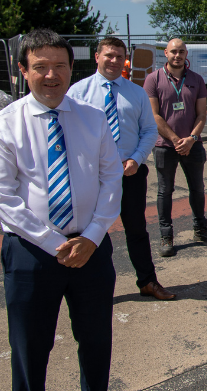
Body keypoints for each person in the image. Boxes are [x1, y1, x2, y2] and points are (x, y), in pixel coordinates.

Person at [0, 29, 122, 391]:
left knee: (95, 339)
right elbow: (1, 195)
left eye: (59, 66)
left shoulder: (93, 119)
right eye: (40, 67)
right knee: (30, 346)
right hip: (32, 253)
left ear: (70, 68)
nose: (51, 75)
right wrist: (52, 242)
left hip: (91, 249)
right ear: (23, 71)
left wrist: (92, 237)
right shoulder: (6, 124)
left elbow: (111, 179)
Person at [68, 37, 174, 301]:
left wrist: (136, 159)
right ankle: (86, 287)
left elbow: (149, 131)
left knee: (136, 230)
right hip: (91, 177)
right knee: (91, 231)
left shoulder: (135, 92)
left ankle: (148, 281)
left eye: (119, 56)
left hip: (130, 173)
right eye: (109, 55)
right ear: (97, 57)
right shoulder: (78, 93)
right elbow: (69, 134)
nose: (114, 61)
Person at [143, 38, 207, 257]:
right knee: (164, 191)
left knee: (197, 189)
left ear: (186, 54)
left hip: (193, 145)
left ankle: (200, 229)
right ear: (166, 54)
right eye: (173, 52)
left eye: (181, 52)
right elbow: (154, 115)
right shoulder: (153, 79)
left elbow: (202, 115)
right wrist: (175, 140)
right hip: (164, 146)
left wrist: (191, 138)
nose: (177, 56)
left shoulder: (196, 80)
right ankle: (166, 235)